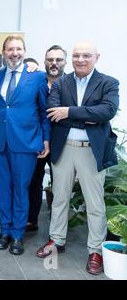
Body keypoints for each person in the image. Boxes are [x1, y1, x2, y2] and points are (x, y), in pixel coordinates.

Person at [37, 41, 119, 275]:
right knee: (60, 197)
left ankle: (96, 251)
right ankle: (56, 240)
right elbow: (53, 112)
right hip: (64, 148)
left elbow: (107, 112)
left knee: (95, 204)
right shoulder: (62, 82)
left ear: (96, 57)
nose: (80, 59)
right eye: (76, 55)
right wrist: (87, 116)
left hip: (91, 150)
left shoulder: (108, 83)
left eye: (86, 55)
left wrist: (70, 111)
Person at [0, 35, 50, 255]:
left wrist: (45, 139)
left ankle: (17, 235)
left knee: (21, 190)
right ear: (3, 52)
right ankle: (4, 230)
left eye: (18, 49)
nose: (14, 53)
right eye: (10, 49)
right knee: (4, 189)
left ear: (24, 51)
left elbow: (44, 112)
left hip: (26, 143)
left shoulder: (37, 77)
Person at [26, 45, 67, 232]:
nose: (54, 63)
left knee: (60, 186)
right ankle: (31, 220)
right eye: (50, 59)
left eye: (58, 60)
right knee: (34, 180)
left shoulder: (72, 83)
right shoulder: (37, 79)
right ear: (44, 62)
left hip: (62, 143)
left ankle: (58, 229)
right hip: (38, 140)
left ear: (65, 62)